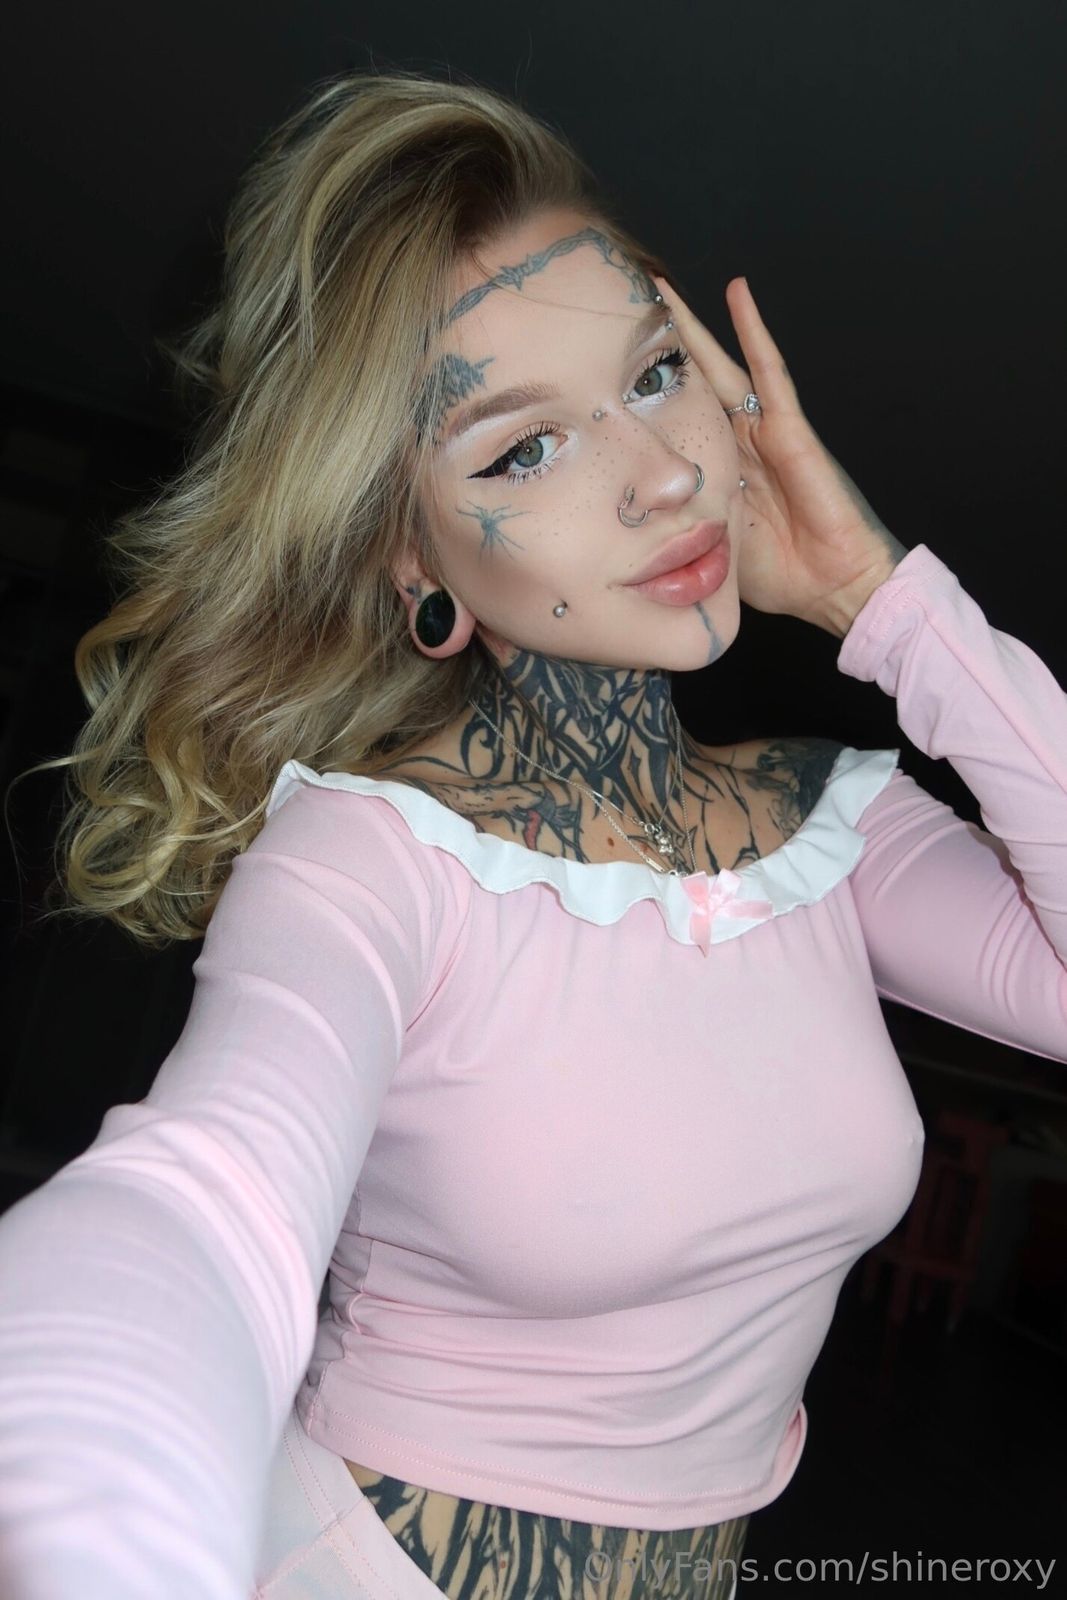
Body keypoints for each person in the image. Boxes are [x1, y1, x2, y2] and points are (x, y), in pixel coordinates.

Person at [1, 67, 1064, 1600]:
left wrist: (883, 601)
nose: (666, 474)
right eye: (523, 449)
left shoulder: (831, 827)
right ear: (409, 555)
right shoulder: (373, 863)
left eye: (654, 375)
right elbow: (205, 1198)